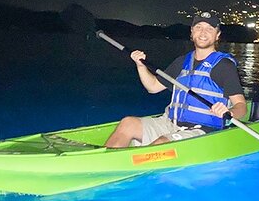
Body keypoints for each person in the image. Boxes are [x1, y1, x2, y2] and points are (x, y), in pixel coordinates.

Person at [105, 11, 247, 148]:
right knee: (127, 123)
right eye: (199, 27)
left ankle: (131, 164)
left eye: (210, 29)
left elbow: (242, 106)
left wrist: (229, 113)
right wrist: (140, 66)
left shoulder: (224, 66)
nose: (203, 32)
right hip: (170, 123)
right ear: (192, 32)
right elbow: (153, 87)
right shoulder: (182, 62)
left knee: (161, 143)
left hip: (203, 130)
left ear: (217, 35)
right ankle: (106, 161)